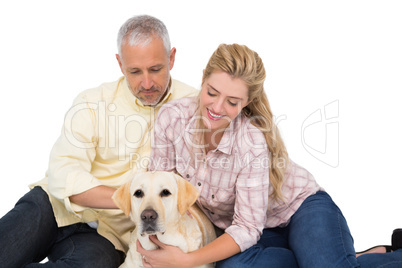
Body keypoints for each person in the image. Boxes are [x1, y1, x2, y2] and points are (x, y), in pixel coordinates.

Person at [139, 43, 402, 267]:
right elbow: (160, 186)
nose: (217, 108)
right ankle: (325, 257)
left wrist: (188, 260)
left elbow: (245, 229)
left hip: (301, 209)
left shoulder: (251, 141)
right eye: (211, 92)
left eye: (232, 102)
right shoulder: (171, 118)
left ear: (247, 102)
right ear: (203, 79)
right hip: (256, 230)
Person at [0, 15, 198, 267]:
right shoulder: (92, 102)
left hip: (107, 237)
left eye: (156, 69)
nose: (146, 83)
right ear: (119, 63)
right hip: (52, 209)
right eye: (134, 71)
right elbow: (63, 173)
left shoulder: (196, 107)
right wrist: (130, 197)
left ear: (171, 58)